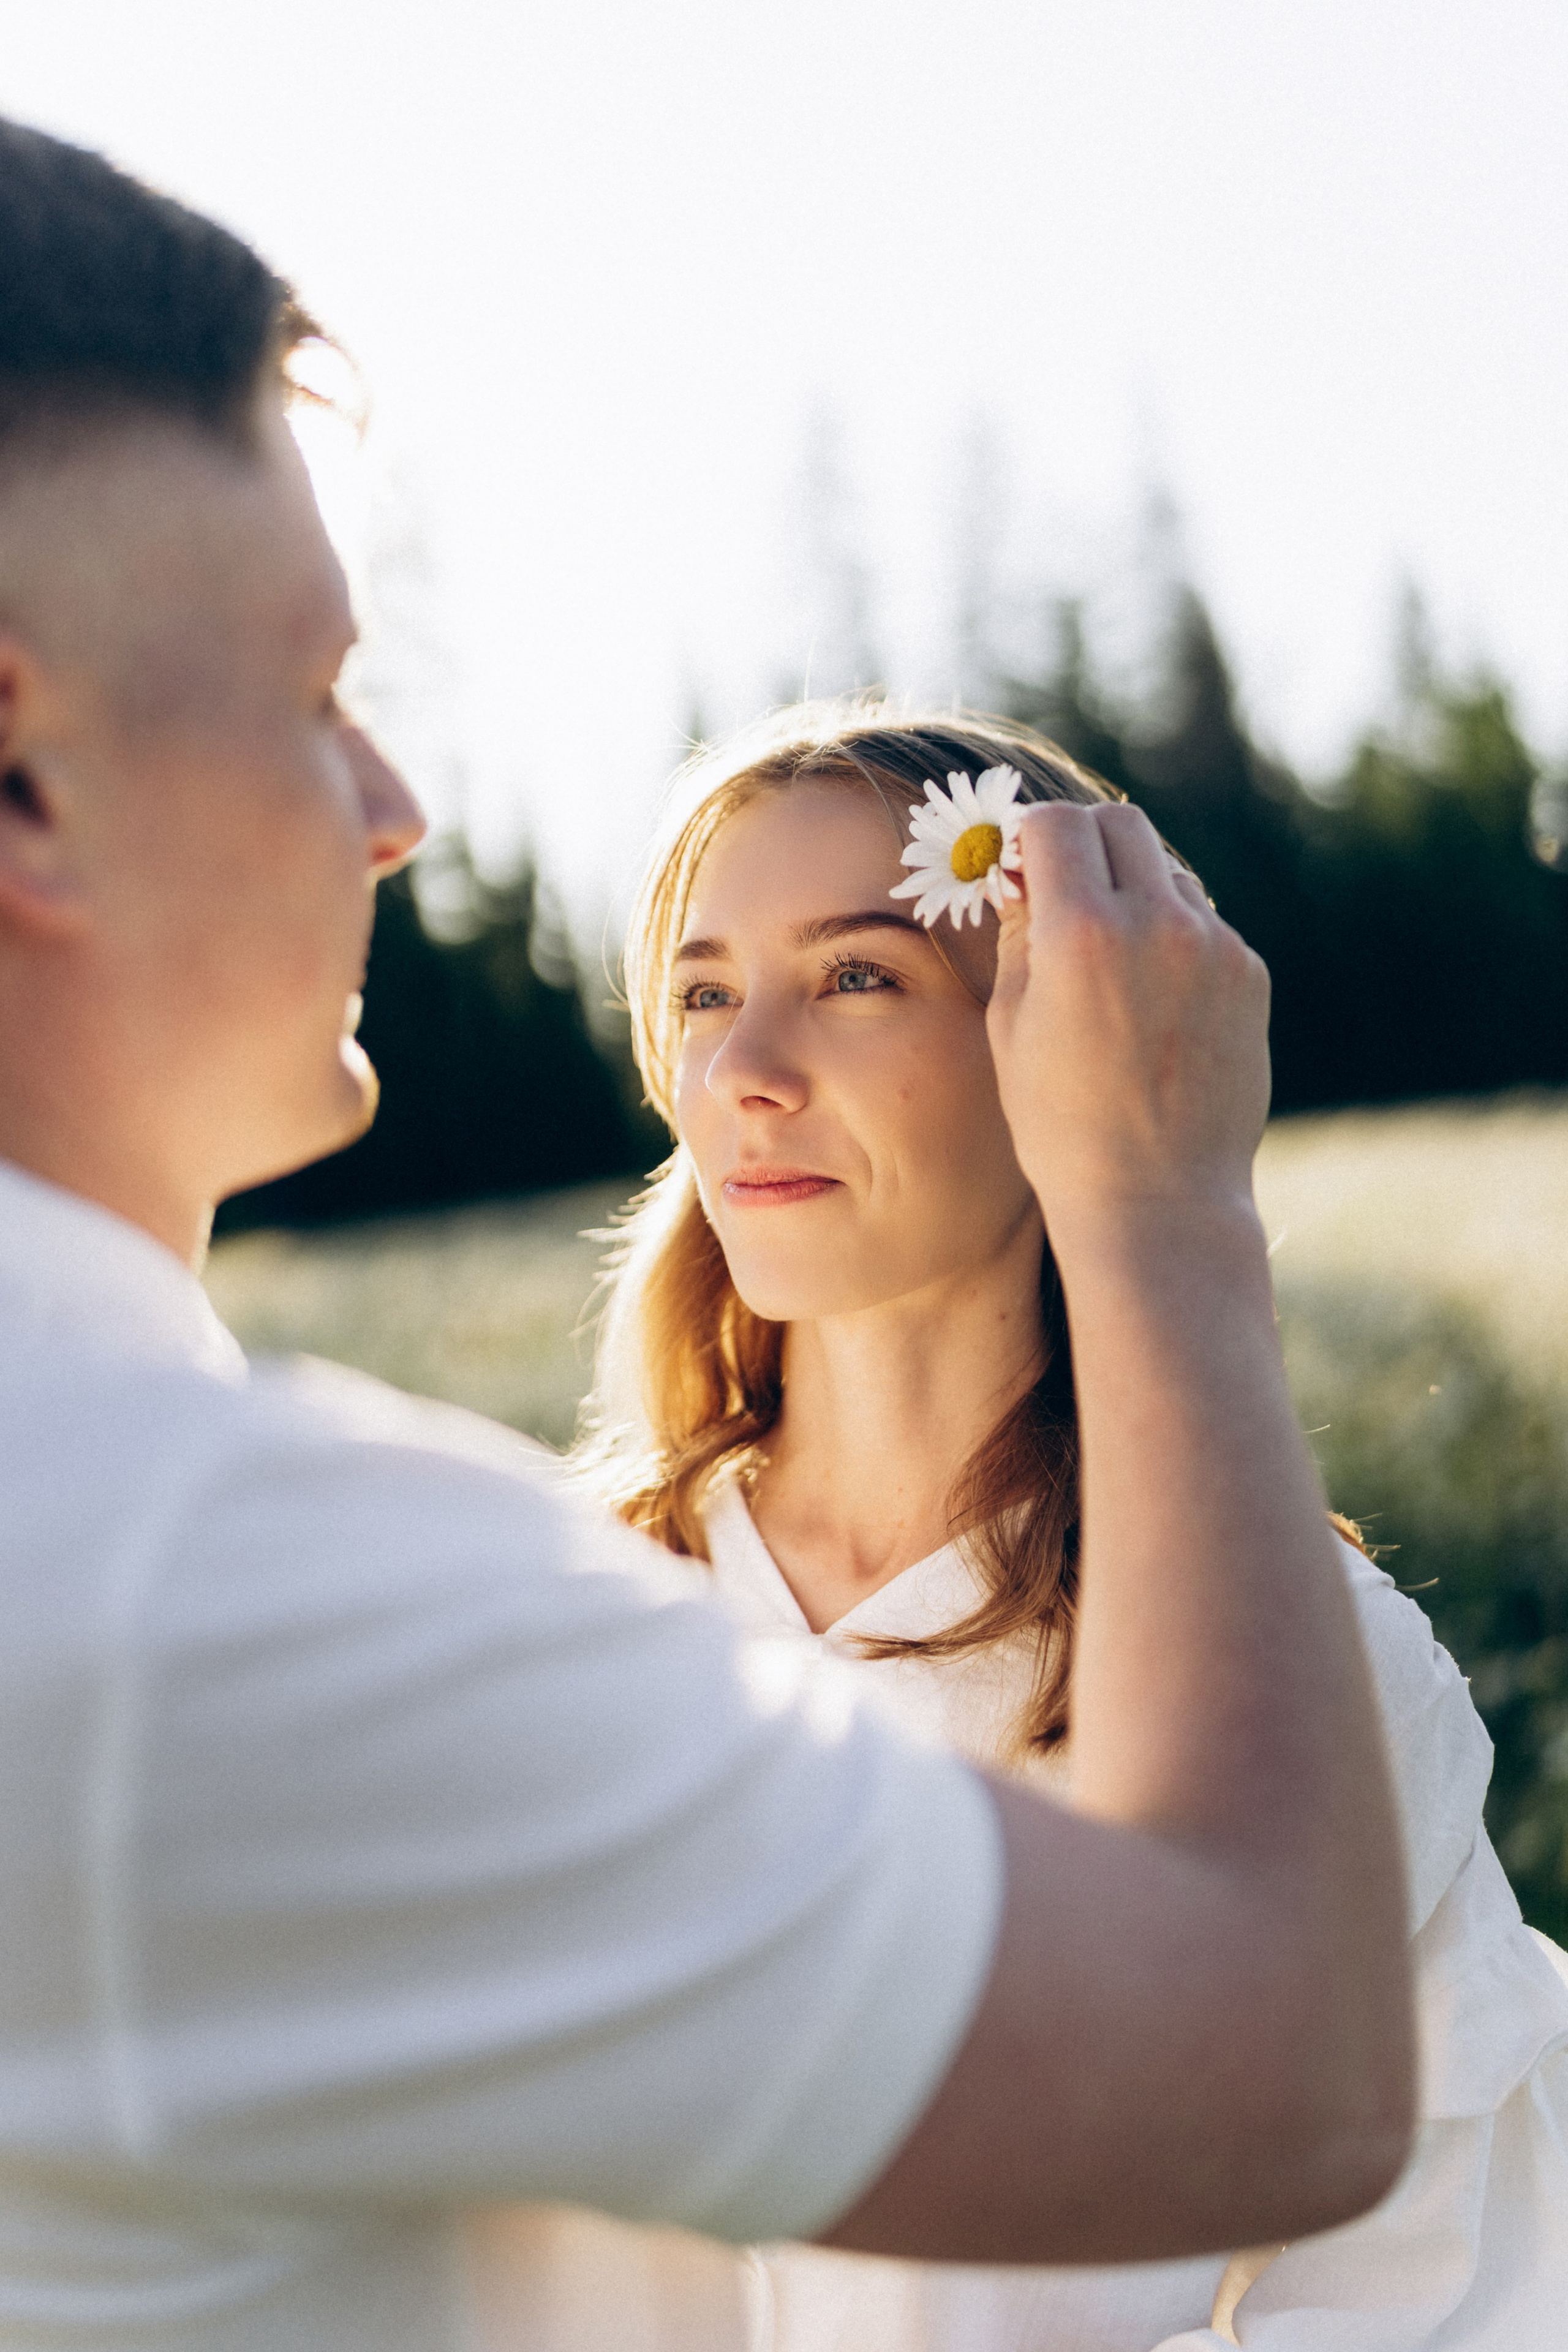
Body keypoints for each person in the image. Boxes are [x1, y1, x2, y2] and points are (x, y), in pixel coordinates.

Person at [0, 117, 1414, 2352]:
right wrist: (1167, 1214)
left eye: (863, 972)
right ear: (23, 775)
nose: (397, 813)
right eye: (309, 695)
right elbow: (1292, 2068)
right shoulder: (233, 1589)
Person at [564, 703, 1568, 2350]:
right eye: (705, 995)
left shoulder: (1297, 1669)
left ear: (1067, 1038)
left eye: (858, 976)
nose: (744, 1073)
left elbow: (1436, 2298)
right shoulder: (559, 1615)